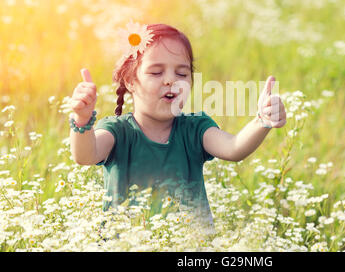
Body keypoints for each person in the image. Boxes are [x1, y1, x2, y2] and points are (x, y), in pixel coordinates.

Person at [69, 22, 286, 234]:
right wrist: (82, 119)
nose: (171, 80)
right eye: (156, 73)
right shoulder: (118, 131)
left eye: (181, 74)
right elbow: (86, 155)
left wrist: (262, 121)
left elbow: (234, 148)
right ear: (131, 81)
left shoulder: (194, 128)